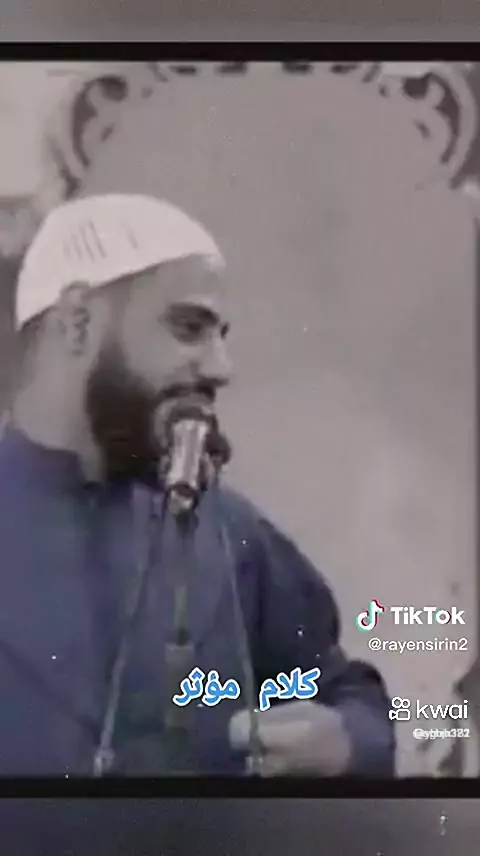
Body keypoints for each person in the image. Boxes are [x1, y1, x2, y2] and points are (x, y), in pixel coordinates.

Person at [0, 194, 395, 776]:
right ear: (77, 322)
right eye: (189, 328)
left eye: (220, 336)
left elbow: (350, 701)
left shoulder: (231, 533)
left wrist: (344, 741)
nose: (220, 368)